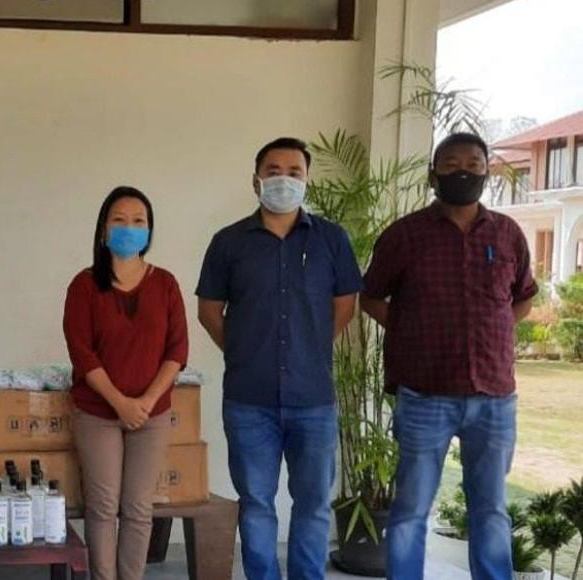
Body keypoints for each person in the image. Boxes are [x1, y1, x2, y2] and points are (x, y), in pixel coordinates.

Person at [362, 132, 537, 580]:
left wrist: (497, 330)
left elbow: (523, 296)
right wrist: (409, 331)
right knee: (410, 509)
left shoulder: (507, 233)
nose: (464, 171)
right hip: (425, 395)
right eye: (452, 163)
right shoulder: (405, 235)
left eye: (474, 164)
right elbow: (371, 296)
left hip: (494, 397)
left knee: (490, 509)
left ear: (486, 173)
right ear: (433, 174)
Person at [196, 137, 362, 580]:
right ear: (256, 181)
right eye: (273, 171)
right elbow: (209, 310)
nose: (283, 179)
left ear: (307, 181)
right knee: (256, 503)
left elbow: (345, 303)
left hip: (314, 399)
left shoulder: (331, 239)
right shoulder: (228, 242)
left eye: (294, 172)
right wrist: (242, 350)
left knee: (313, 504)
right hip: (249, 400)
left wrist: (312, 345)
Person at [62, 186, 188, 580]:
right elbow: (82, 352)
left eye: (139, 221)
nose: (129, 228)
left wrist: (147, 401)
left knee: (138, 508)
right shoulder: (84, 286)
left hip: (152, 415)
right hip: (97, 413)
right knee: (102, 507)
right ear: (104, 229)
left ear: (149, 230)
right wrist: (120, 402)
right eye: (120, 220)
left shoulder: (165, 284)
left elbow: (178, 350)